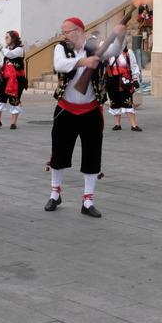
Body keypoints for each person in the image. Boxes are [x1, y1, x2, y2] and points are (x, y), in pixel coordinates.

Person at [45, 17, 122, 218]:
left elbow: (114, 50)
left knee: (92, 155)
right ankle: (55, 194)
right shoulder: (61, 48)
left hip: (90, 110)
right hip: (65, 109)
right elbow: (60, 65)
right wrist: (83, 61)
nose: (63, 35)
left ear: (79, 31)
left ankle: (88, 200)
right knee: (59, 153)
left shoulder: (94, 45)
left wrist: (120, 36)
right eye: (63, 31)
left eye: (67, 31)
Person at [0, 31, 26, 130]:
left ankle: (13, 123)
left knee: (14, 100)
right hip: (5, 78)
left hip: (16, 79)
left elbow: (10, 55)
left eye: (7, 37)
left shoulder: (19, 50)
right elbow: (4, 63)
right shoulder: (6, 50)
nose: (5, 39)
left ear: (14, 39)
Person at [106, 41, 142, 131]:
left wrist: (135, 79)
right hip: (112, 80)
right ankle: (117, 124)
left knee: (127, 100)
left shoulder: (128, 52)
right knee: (114, 100)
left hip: (125, 79)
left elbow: (133, 66)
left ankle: (133, 125)